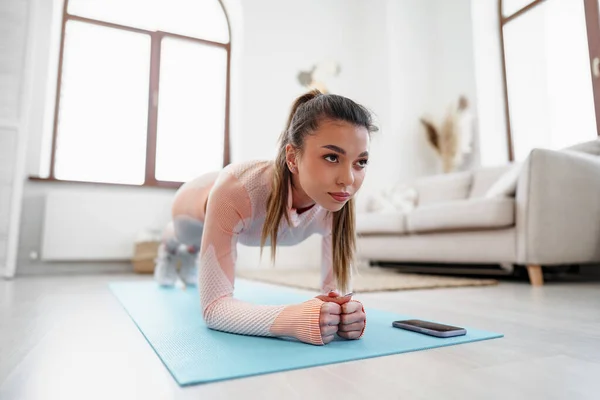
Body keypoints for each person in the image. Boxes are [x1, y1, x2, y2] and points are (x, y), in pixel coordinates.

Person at [154, 89, 377, 345]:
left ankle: (190, 251)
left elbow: (333, 294)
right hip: (194, 204)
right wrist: (294, 319)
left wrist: (346, 314)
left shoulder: (336, 200)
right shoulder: (235, 191)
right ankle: (171, 248)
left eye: (360, 162)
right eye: (331, 157)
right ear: (292, 158)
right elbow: (214, 308)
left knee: (201, 248)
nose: (348, 180)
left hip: (233, 201)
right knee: (183, 237)